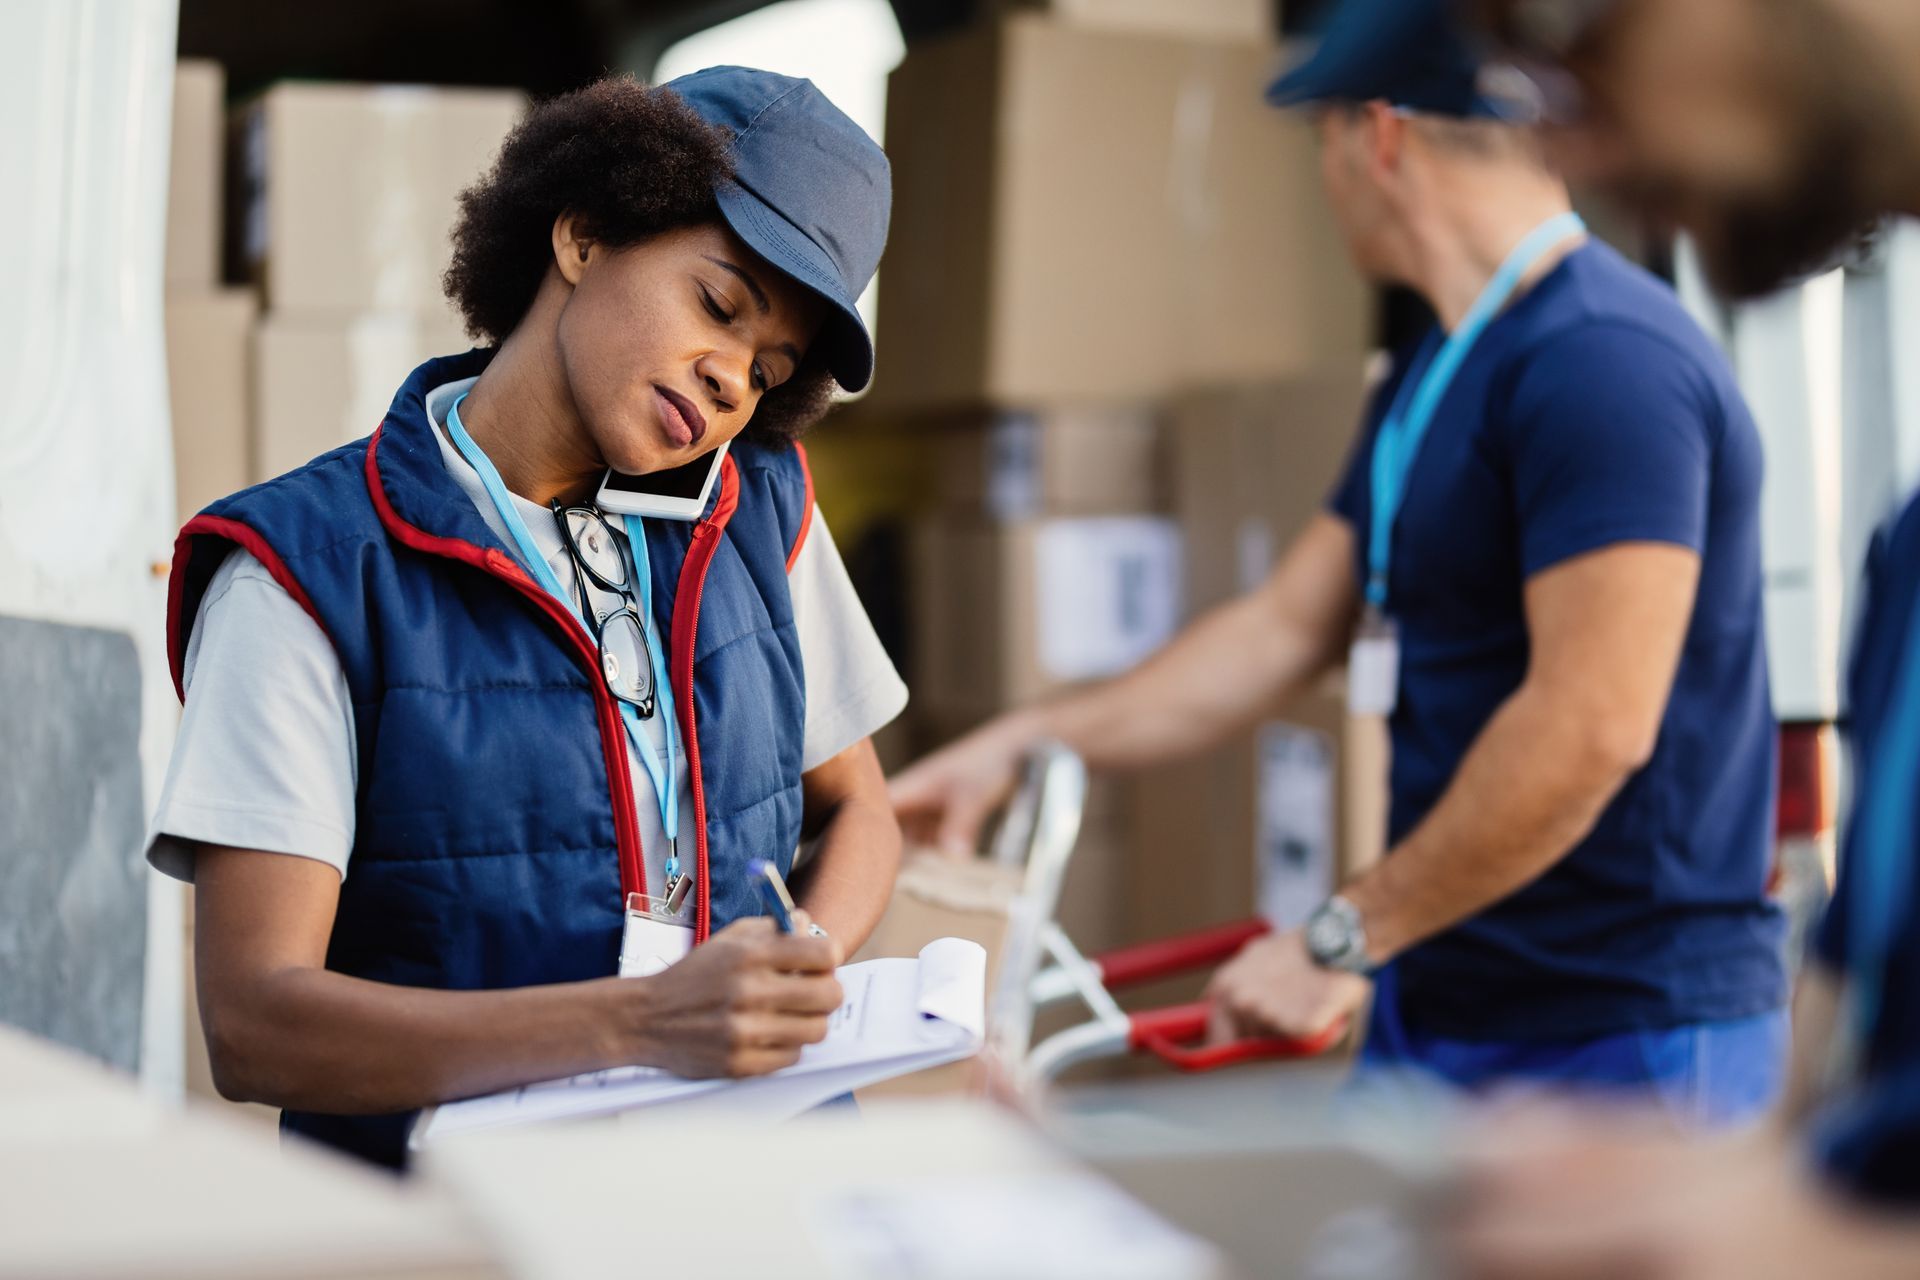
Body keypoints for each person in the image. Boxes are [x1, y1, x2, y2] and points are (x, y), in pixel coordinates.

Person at [889, 0, 1788, 1124]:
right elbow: (1279, 627)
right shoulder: (1439, 368)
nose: (1324, 178)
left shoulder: (1605, 363)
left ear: (1380, 135)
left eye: (1320, 140)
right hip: (1452, 995)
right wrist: (1025, 744)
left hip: (1619, 1029)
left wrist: (1342, 933)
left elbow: (1592, 722)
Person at [146, 69, 906, 1169]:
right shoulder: (302, 572)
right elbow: (256, 1023)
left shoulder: (761, 511)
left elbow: (863, 811)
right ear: (586, 233)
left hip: (746, 1183)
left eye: (768, 366)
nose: (732, 377)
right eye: (720, 305)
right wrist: (642, 1023)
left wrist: (796, 967)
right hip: (462, 1218)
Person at [1409, 0, 1920, 1271]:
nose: (1576, 151)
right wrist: (1667, 1179)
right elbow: (1857, 1132)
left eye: (1574, 35)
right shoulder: (1910, 559)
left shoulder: (1604, 359)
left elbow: (1593, 721)